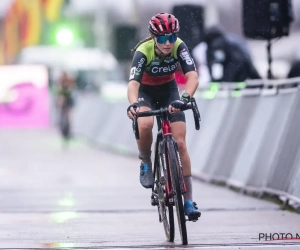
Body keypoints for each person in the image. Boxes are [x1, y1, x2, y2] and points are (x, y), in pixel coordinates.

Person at [126, 12, 201, 220]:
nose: (168, 43)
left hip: (169, 91)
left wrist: (186, 97)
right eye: (162, 39)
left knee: (181, 144)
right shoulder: (143, 51)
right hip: (145, 93)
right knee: (145, 123)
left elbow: (192, 75)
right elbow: (133, 84)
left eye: (172, 37)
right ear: (153, 37)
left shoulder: (179, 46)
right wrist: (133, 103)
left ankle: (188, 201)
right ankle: (145, 161)